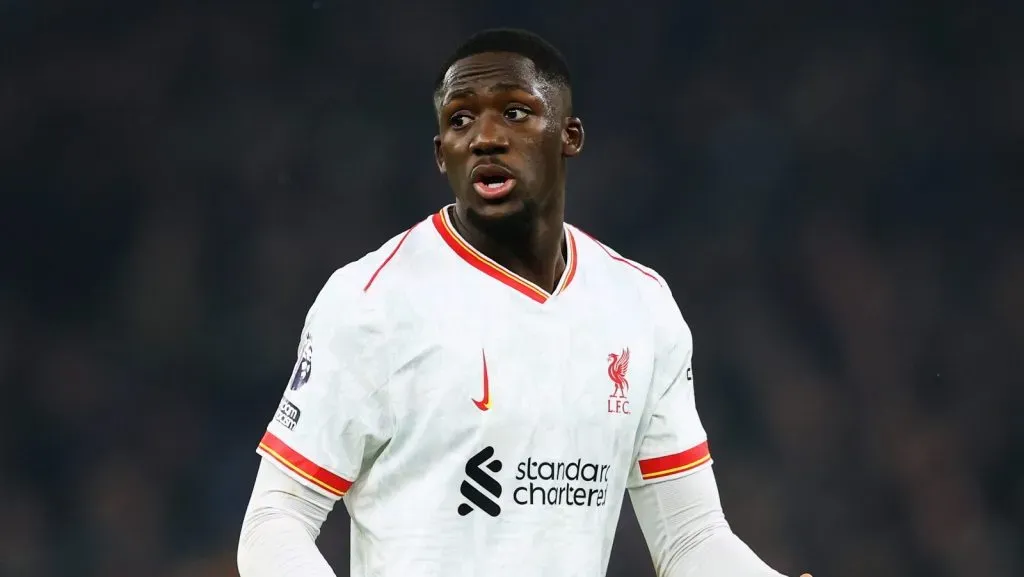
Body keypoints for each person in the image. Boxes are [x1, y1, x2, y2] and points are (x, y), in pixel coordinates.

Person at [237, 28, 811, 577]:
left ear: (570, 136)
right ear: (441, 154)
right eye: (460, 120)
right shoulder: (372, 302)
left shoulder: (640, 305)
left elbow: (690, 537)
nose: (485, 137)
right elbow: (274, 522)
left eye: (514, 112)